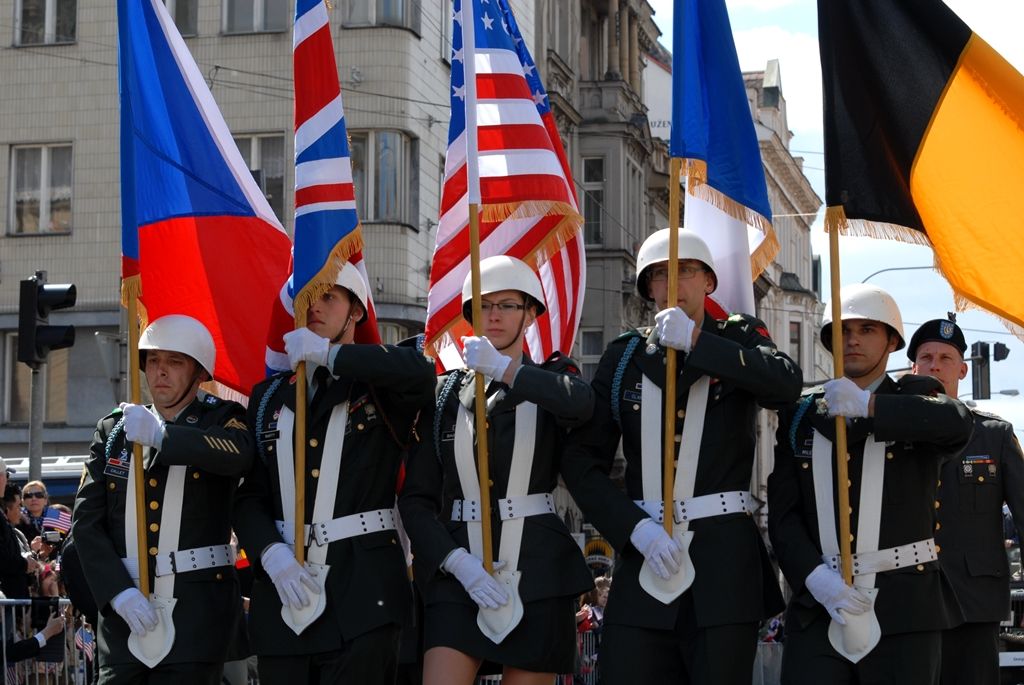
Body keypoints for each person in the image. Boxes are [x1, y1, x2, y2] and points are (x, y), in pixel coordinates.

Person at [561, 228, 802, 685]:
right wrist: (634, 529)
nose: (673, 283)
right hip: (645, 560)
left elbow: (785, 384)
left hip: (722, 569)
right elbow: (580, 461)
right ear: (648, 287)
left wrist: (698, 343)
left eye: (686, 270)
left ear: (708, 281)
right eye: (659, 275)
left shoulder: (739, 338)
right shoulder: (625, 357)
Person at [233, 263, 434, 685]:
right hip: (286, 597)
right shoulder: (268, 397)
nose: (315, 308)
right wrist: (270, 554)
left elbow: (419, 372)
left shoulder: (380, 386)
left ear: (356, 311)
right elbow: (249, 496)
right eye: (308, 298)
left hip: (363, 597)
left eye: (329, 297)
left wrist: (331, 356)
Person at [398, 256, 595, 685]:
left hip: (539, 570)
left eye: (507, 305)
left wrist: (507, 370)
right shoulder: (443, 394)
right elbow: (416, 500)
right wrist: (454, 561)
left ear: (531, 313)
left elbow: (580, 403)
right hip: (458, 572)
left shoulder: (552, 377)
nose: (494, 315)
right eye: (483, 306)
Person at [768, 285, 973, 685]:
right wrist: (814, 578)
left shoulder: (917, 396)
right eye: (843, 331)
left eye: (867, 329)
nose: (853, 340)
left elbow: (956, 424)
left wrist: (870, 406)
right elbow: (783, 514)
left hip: (904, 611)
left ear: (892, 341)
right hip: (820, 609)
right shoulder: (802, 414)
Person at [72, 314, 252, 684]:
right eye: (153, 360)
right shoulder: (114, 430)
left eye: (175, 361)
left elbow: (239, 454)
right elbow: (86, 523)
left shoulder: (221, 419)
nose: (161, 371)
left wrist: (162, 437)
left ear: (199, 372)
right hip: (124, 623)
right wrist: (118, 592)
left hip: (196, 621)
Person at [907, 317, 1024, 685]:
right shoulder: (892, 435)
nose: (935, 366)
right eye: (926, 358)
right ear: (913, 368)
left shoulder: (993, 435)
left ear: (962, 369)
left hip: (974, 602)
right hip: (908, 602)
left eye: (945, 358)